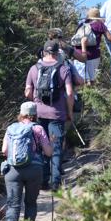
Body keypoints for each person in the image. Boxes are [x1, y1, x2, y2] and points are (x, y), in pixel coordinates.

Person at [1, 101, 53, 221]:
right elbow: (48, 152)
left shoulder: (11, 128)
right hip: (34, 170)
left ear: (21, 113)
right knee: (30, 204)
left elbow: (4, 150)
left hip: (12, 171)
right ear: (34, 114)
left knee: (13, 205)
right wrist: (52, 144)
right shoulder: (37, 128)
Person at [25, 40, 74, 191]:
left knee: (41, 146)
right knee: (56, 147)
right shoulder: (63, 68)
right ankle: (55, 182)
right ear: (57, 52)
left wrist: (36, 102)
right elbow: (70, 92)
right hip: (57, 114)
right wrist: (69, 112)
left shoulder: (34, 69)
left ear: (44, 52)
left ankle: (43, 181)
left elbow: (27, 92)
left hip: (39, 114)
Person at [72, 7, 111, 85]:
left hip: (78, 55)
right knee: (91, 80)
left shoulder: (81, 24)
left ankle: (82, 96)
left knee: (81, 80)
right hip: (93, 55)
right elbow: (110, 38)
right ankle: (91, 95)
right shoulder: (99, 24)